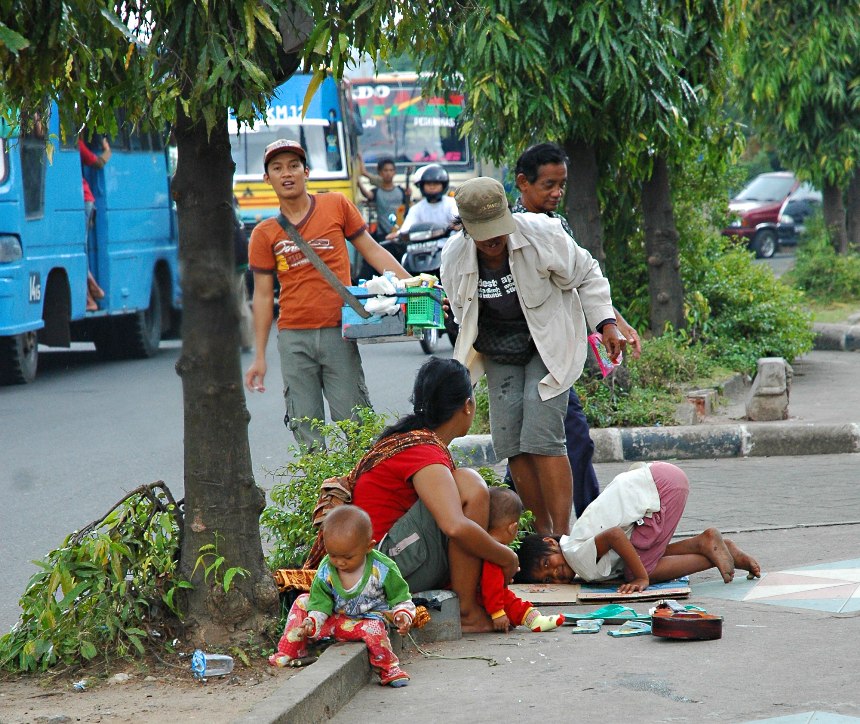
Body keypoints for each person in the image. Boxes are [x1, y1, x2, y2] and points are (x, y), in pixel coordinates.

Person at [440, 177, 624, 537]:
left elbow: (587, 273)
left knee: (542, 437)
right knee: (511, 440)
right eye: (484, 233)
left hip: (549, 340)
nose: (494, 240)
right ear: (465, 229)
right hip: (499, 348)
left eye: (499, 229)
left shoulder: (542, 233)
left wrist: (606, 323)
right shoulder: (453, 256)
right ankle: (542, 533)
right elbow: (463, 314)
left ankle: (562, 535)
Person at [244, 139, 410, 450]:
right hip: (294, 339)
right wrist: (259, 357)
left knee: (358, 427)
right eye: (277, 168)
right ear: (268, 179)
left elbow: (373, 251)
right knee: (308, 435)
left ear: (306, 171)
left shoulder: (336, 205)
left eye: (294, 166)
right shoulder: (264, 233)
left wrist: (415, 285)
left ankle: (363, 497)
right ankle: (323, 498)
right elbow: (264, 297)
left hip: (338, 332)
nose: (287, 173)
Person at [511, 142, 642, 518]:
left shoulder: (557, 225)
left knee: (536, 445)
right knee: (565, 441)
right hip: (534, 353)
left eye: (561, 185)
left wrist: (614, 322)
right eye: (548, 185)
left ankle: (526, 526)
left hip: (557, 353)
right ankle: (586, 525)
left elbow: (582, 277)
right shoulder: (512, 231)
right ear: (522, 183)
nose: (556, 193)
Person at [350, 356, 520, 633]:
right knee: (470, 485)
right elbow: (454, 525)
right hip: (383, 568)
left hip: (385, 561)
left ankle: (469, 602)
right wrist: (506, 557)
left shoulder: (417, 440)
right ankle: (466, 612)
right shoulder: (422, 449)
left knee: (463, 486)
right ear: (467, 406)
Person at [513, 461, 761, 593]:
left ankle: (712, 553)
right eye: (547, 580)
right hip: (662, 479)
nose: (555, 575)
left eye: (548, 565)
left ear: (550, 542)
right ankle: (708, 544)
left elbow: (614, 535)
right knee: (639, 558)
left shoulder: (577, 557)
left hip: (662, 489)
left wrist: (641, 578)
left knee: (639, 571)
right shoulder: (576, 543)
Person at [269, 505, 415, 687]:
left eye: (347, 557)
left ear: (368, 547)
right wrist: (313, 620)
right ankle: (290, 650)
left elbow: (401, 597)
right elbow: (319, 601)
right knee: (302, 601)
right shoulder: (326, 569)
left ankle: (388, 668)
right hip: (334, 622)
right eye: (333, 555)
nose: (339, 562)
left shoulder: (383, 568)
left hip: (366, 623)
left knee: (374, 628)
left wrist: (402, 614)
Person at [481, 487, 564, 633]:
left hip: (483, 594)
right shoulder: (494, 551)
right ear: (513, 528)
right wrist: (497, 613)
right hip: (487, 596)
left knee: (509, 599)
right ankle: (534, 621)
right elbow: (491, 584)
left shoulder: (484, 543)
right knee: (512, 602)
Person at [79, 135, 111, 311]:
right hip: (84, 200)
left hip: (84, 200)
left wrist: (108, 152)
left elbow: (98, 163)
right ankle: (93, 289)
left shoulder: (76, 144)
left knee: (80, 250)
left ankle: (90, 297)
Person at [389, 164, 458, 238]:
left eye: (436, 183)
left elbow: (458, 220)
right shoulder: (416, 208)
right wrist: (398, 234)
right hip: (421, 247)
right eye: (428, 184)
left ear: (443, 185)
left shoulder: (452, 203)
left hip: (447, 245)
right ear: (422, 186)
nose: (432, 187)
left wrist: (456, 226)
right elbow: (407, 228)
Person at [357, 156, 410, 241]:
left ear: (394, 172)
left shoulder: (401, 191)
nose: (388, 173)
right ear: (380, 172)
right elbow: (367, 194)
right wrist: (358, 183)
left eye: (391, 170)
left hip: (400, 233)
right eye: (385, 170)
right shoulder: (376, 192)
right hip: (382, 234)